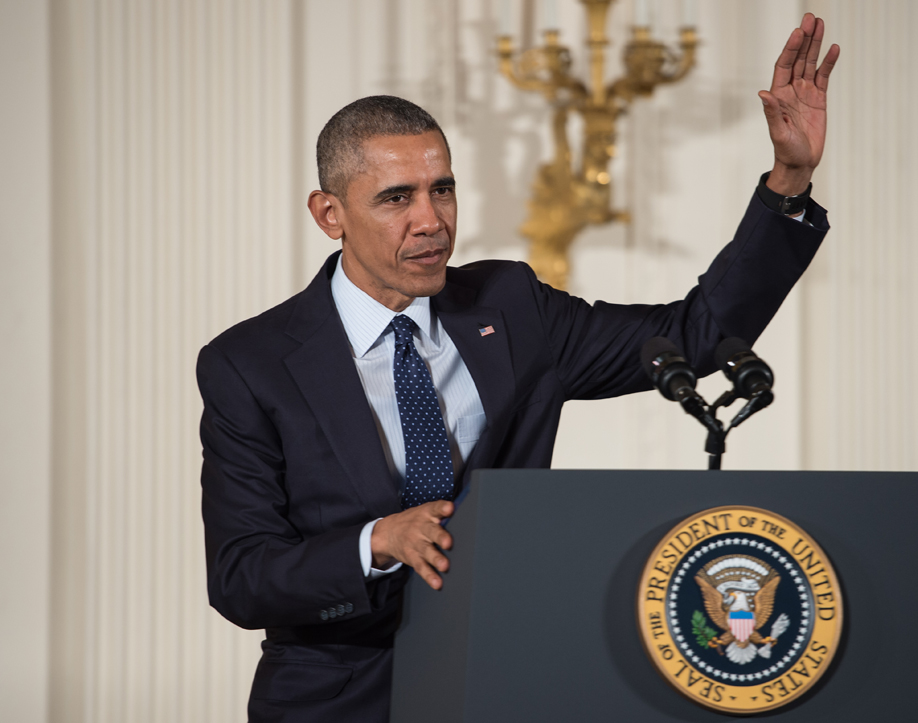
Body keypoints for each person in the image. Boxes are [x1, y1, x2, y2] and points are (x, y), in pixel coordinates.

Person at [197, 14, 839, 723]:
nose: (431, 220)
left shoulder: (511, 307)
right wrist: (375, 542)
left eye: (441, 189)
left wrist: (790, 179)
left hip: (503, 678)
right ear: (330, 213)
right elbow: (241, 575)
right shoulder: (251, 364)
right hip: (337, 694)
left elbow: (696, 332)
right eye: (396, 198)